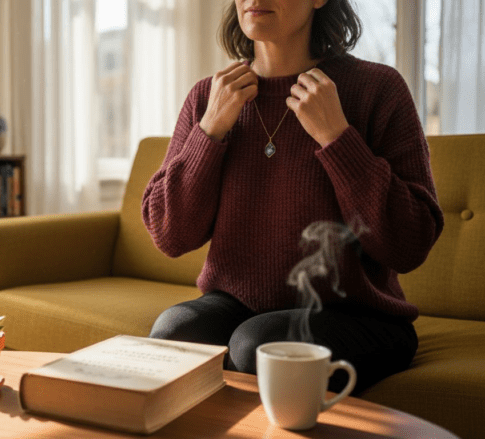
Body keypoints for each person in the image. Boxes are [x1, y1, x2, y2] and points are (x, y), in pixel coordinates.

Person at [142, 0, 444, 394]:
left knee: (259, 345)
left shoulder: (378, 88)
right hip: (239, 304)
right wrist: (210, 131)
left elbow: (410, 242)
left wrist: (337, 138)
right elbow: (170, 233)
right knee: (177, 332)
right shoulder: (209, 97)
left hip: (359, 317)